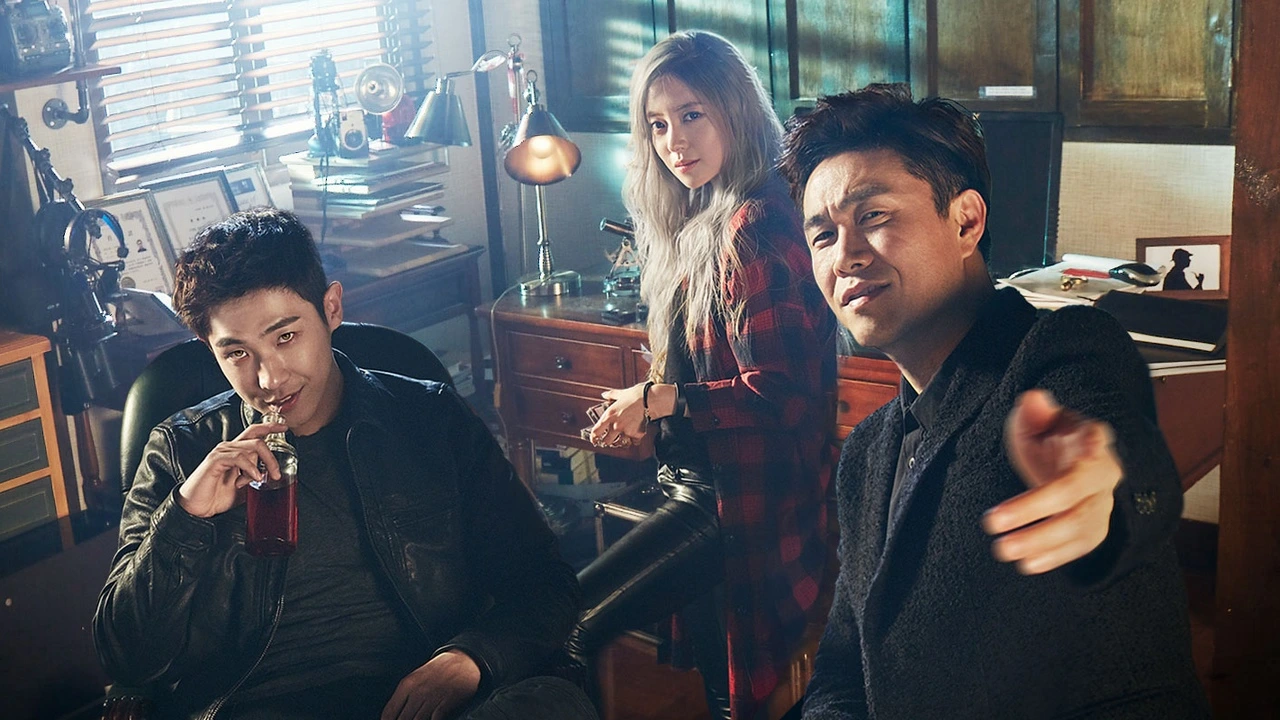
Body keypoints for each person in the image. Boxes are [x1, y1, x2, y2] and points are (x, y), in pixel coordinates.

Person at [778, 84, 1209, 719]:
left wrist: (1109, 493)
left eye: (872, 216)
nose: (845, 256)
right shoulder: (867, 453)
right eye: (822, 235)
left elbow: (1130, 466)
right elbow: (845, 666)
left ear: (966, 222)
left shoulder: (1060, 350)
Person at [94, 209, 597, 720]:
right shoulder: (180, 450)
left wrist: (469, 660)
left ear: (331, 308)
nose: (268, 379)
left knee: (549, 706)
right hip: (253, 706)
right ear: (210, 350)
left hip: (428, 702)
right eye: (238, 354)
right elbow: (127, 658)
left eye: (285, 337)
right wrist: (186, 518)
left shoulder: (429, 418)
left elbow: (544, 580)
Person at [570, 30, 837, 720]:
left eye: (692, 115)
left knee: (568, 624)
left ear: (735, 110)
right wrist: (650, 411)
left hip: (738, 504)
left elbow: (781, 396)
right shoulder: (704, 213)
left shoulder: (755, 223)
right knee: (725, 691)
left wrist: (662, 399)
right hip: (702, 486)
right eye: (657, 124)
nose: (674, 141)